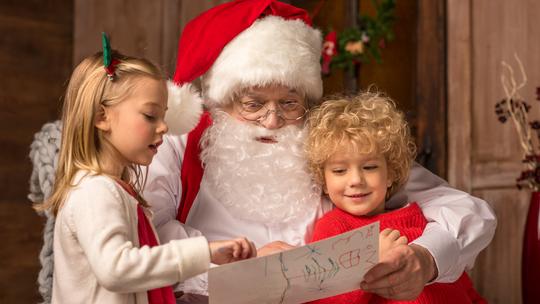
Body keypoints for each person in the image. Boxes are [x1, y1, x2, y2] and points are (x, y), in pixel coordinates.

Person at [143, 0, 497, 301]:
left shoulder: (332, 144)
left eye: (289, 102)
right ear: (221, 101)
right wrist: (233, 264)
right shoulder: (180, 140)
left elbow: (466, 210)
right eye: (252, 105)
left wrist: (427, 257)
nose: (272, 121)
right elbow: (146, 234)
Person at [34, 47, 256, 304]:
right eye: (151, 115)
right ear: (101, 117)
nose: (163, 126)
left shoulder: (117, 191)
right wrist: (204, 253)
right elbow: (117, 269)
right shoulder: (94, 191)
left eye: (163, 116)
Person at [304, 91, 487, 303]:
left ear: (391, 174)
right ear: (323, 182)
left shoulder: (420, 217)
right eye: (339, 171)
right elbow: (322, 299)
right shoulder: (333, 228)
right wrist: (368, 261)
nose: (355, 180)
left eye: (370, 167)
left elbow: (461, 286)